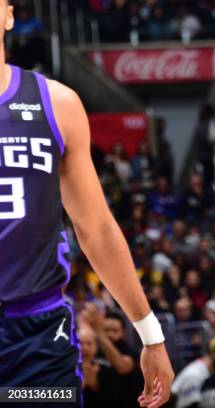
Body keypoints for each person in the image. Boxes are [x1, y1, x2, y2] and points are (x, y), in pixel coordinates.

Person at [0, 1, 173, 407]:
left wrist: (149, 334)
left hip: (38, 337)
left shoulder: (56, 103)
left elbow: (96, 227)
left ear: (9, 14)